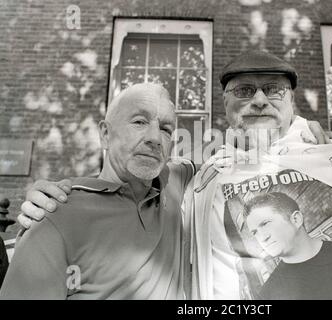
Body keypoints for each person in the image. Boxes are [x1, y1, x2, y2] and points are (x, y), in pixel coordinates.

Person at [18, 51, 332, 300]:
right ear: (225, 105)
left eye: (273, 90)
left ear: (291, 101)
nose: (259, 100)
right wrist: (55, 194)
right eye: (244, 91)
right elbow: (121, 175)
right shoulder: (205, 178)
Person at [0, 83, 195, 299]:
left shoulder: (175, 181)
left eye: (165, 129)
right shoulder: (55, 214)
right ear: (105, 134)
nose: (155, 138)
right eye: (139, 122)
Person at [244, 192, 332, 300]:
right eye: (255, 233)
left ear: (296, 219)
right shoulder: (268, 295)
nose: (262, 238)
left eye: (265, 223)